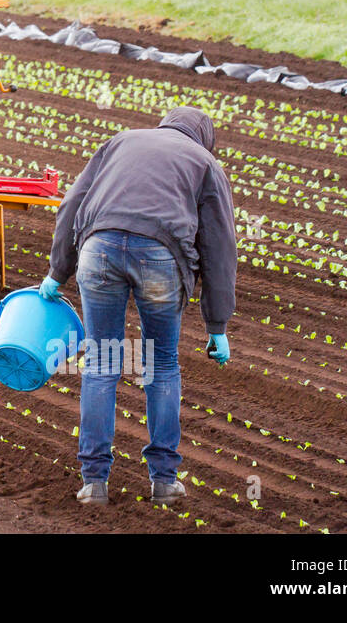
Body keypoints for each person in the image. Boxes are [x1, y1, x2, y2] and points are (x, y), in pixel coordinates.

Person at [40, 106, 236, 506]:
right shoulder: (204, 163)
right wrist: (217, 325)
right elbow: (219, 247)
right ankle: (164, 481)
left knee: (101, 362)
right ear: (204, 139)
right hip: (160, 258)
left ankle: (94, 481)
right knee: (161, 364)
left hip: (98, 250)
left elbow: (72, 205)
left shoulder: (121, 141)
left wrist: (57, 271)